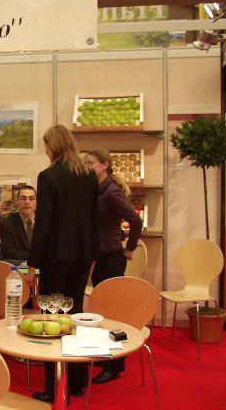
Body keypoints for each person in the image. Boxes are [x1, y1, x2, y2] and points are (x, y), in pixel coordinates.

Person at [25, 125, 99, 404]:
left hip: (55, 257)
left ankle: (54, 388)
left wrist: (32, 265)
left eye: (46, 145)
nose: (45, 151)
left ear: (53, 145)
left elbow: (43, 224)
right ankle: (78, 382)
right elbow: (95, 218)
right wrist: (93, 256)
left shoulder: (48, 176)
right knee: (75, 315)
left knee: (51, 320)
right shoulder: (88, 174)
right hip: (83, 256)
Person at [84, 147, 143, 384]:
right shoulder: (96, 189)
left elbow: (135, 219)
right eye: (85, 163)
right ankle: (109, 358)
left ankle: (115, 365)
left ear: (105, 165)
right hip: (101, 257)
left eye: (90, 163)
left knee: (111, 312)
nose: (87, 167)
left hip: (110, 258)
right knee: (102, 310)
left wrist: (130, 248)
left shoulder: (110, 192)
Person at [0, 185, 36, 264]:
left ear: (36, 201)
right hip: (19, 268)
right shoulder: (7, 223)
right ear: (17, 201)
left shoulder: (47, 222)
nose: (27, 202)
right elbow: (7, 251)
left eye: (31, 198)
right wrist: (34, 256)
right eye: (23, 198)